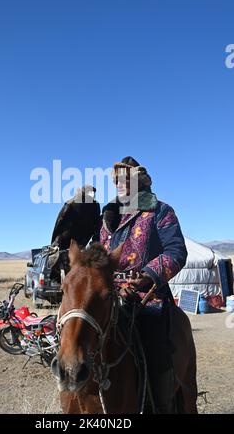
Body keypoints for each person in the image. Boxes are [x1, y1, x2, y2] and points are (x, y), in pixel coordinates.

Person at [99, 156, 188, 413]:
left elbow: (176, 251)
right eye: (116, 179)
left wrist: (149, 274)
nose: (120, 183)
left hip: (147, 298)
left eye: (126, 178)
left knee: (154, 348)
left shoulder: (160, 211)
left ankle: (161, 405)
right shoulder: (107, 217)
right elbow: (97, 254)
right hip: (110, 295)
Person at [51, 185, 100, 250]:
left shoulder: (95, 206)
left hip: (80, 244)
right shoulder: (71, 203)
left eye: (93, 192)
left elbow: (94, 228)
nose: (92, 193)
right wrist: (56, 244)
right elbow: (58, 227)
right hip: (61, 242)